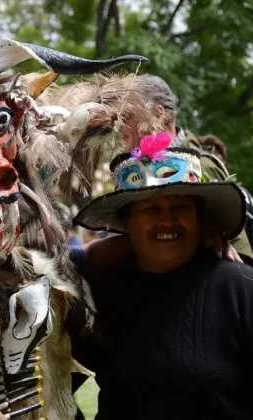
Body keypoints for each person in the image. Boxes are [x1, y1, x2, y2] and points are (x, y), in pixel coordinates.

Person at [71, 132, 253, 419]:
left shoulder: (240, 289)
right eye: (151, 209)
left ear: (200, 219)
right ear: (127, 223)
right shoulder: (101, 292)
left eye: (181, 207)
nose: (167, 219)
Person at [118, 74, 253, 263]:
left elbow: (239, 255)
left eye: (126, 116)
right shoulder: (139, 168)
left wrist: (208, 226)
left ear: (159, 113)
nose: (118, 126)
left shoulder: (200, 165)